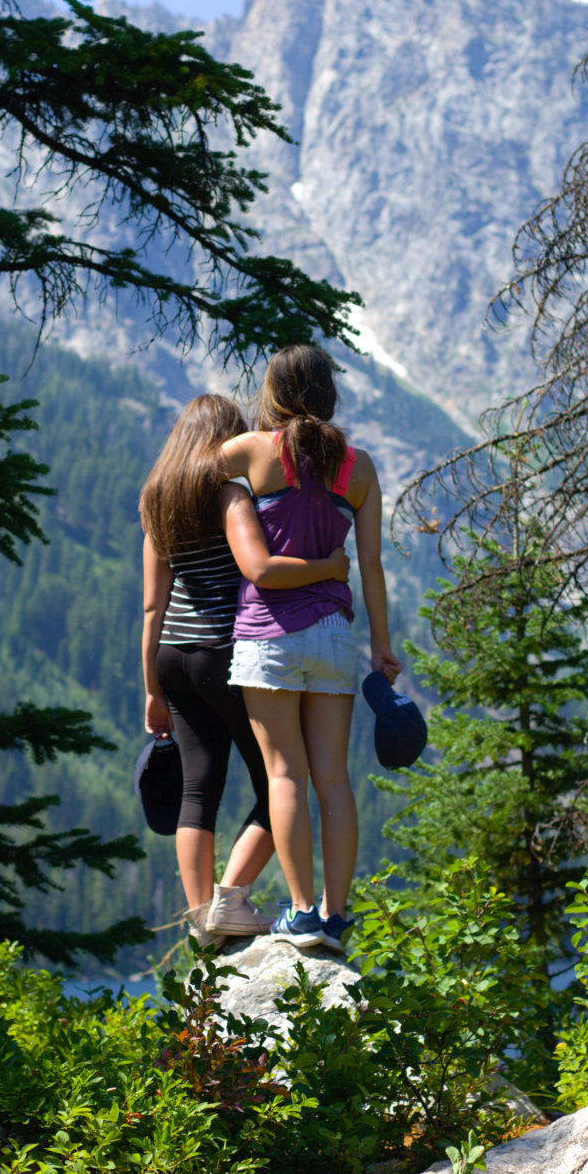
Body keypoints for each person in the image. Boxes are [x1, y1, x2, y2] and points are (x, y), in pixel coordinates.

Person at [140, 395, 350, 941]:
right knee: (278, 779)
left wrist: (152, 687)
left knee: (198, 787)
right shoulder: (229, 494)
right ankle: (229, 900)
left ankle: (201, 920)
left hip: (173, 655)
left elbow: (151, 606)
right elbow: (258, 566)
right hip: (224, 650)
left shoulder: (158, 498)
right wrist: (328, 567)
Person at [219, 345, 402, 953]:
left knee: (284, 775)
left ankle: (300, 915)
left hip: (268, 634)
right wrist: (381, 646)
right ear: (329, 393)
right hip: (333, 633)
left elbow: (191, 471)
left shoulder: (254, 451)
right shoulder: (360, 467)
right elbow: (369, 564)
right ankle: (336, 917)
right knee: (334, 780)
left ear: (272, 393)